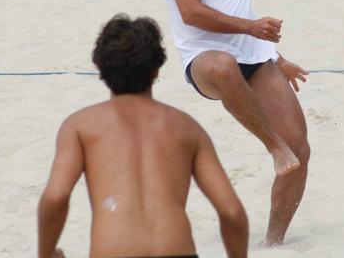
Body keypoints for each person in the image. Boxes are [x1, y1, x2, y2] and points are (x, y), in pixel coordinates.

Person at [160, 0, 310, 245]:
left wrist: (277, 59)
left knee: (302, 150)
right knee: (225, 65)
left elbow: (243, 14)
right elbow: (191, 11)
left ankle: (273, 242)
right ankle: (273, 148)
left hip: (254, 59)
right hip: (205, 59)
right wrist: (251, 28)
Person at [37, 14, 248, 258]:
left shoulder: (80, 125)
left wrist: (46, 253)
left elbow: (55, 197)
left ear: (99, 66)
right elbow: (231, 210)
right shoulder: (187, 128)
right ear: (157, 67)